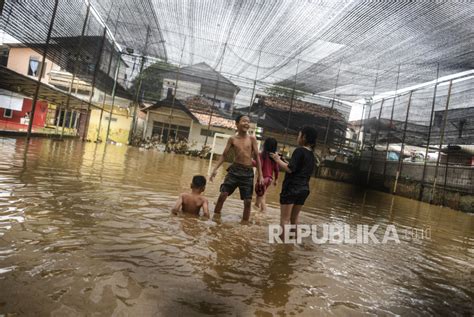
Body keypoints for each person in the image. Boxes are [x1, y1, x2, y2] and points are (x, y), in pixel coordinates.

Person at [210, 114, 264, 221]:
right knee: (223, 195)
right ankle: (215, 218)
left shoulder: (252, 139)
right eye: (244, 121)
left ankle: (244, 223)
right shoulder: (232, 139)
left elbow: (257, 157)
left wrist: (260, 176)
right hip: (234, 170)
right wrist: (214, 169)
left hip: (248, 172)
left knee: (248, 201)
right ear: (237, 124)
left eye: (248, 122)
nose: (246, 124)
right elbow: (224, 155)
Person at [270, 126, 317, 239]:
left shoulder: (299, 150)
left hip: (292, 188)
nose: (298, 137)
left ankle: (282, 247)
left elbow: (290, 169)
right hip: (304, 189)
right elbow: (298, 168)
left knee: (284, 219)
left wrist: (277, 159)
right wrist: (284, 161)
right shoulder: (312, 155)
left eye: (299, 135)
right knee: (294, 219)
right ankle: (293, 244)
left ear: (304, 137)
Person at [254, 137, 279, 212]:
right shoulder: (274, 157)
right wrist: (276, 180)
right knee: (260, 196)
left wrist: (250, 161)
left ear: (265, 145)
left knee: (261, 197)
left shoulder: (262, 155)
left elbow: (259, 165)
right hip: (269, 179)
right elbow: (277, 170)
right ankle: (257, 211)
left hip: (263, 179)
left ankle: (262, 213)